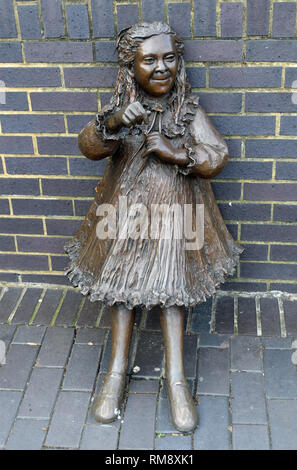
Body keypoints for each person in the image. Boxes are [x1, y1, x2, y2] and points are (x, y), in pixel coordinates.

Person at [64, 22, 243, 432]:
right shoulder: (121, 109)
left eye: (169, 58)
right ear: (131, 67)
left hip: (178, 218)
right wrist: (110, 124)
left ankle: (176, 378)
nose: (161, 67)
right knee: (121, 288)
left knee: (173, 289)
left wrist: (177, 154)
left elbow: (217, 156)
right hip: (122, 217)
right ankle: (117, 371)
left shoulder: (190, 113)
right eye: (150, 60)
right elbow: (89, 147)